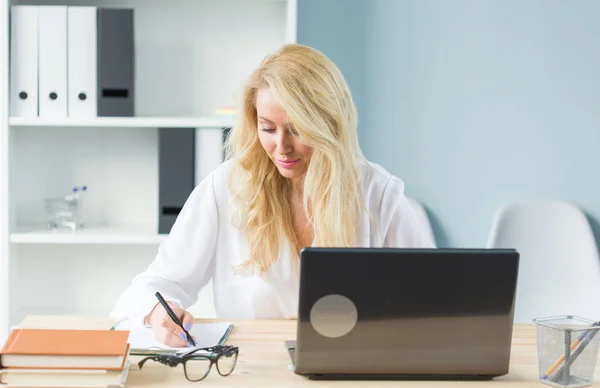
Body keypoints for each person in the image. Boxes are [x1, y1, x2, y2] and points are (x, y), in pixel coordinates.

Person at [110, 43, 434, 347]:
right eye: (268, 128)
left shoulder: (379, 195)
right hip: (252, 368)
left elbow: (432, 302)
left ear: (328, 124)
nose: (282, 147)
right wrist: (158, 314)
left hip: (351, 367)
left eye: (297, 128)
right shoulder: (226, 189)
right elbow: (156, 285)